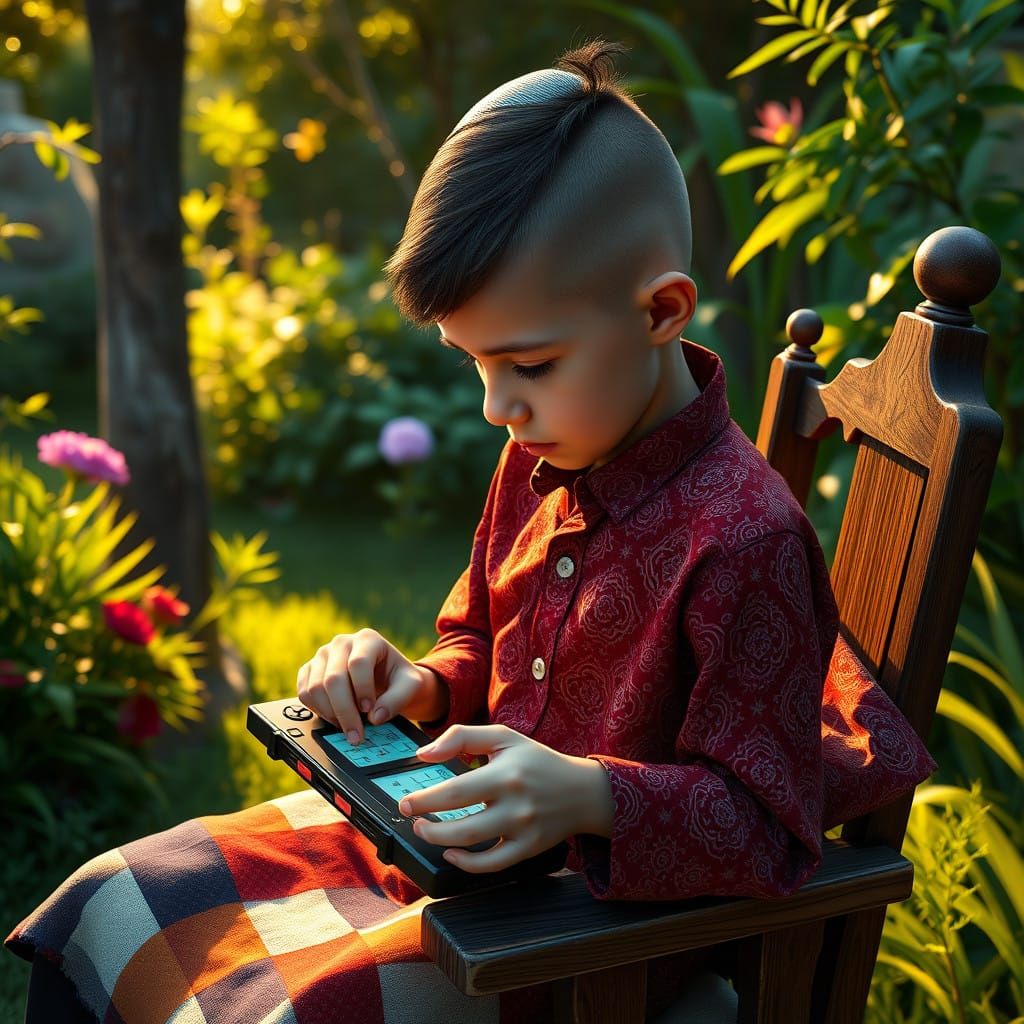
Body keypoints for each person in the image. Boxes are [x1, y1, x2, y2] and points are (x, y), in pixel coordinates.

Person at [7, 39, 933, 1024]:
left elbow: (764, 827)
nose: (497, 406)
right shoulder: (543, 456)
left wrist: (587, 796)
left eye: (527, 364)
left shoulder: (746, 540)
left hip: (578, 943)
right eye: (472, 363)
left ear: (660, 310)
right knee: (108, 900)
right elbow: (478, 643)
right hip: (445, 854)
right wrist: (416, 681)